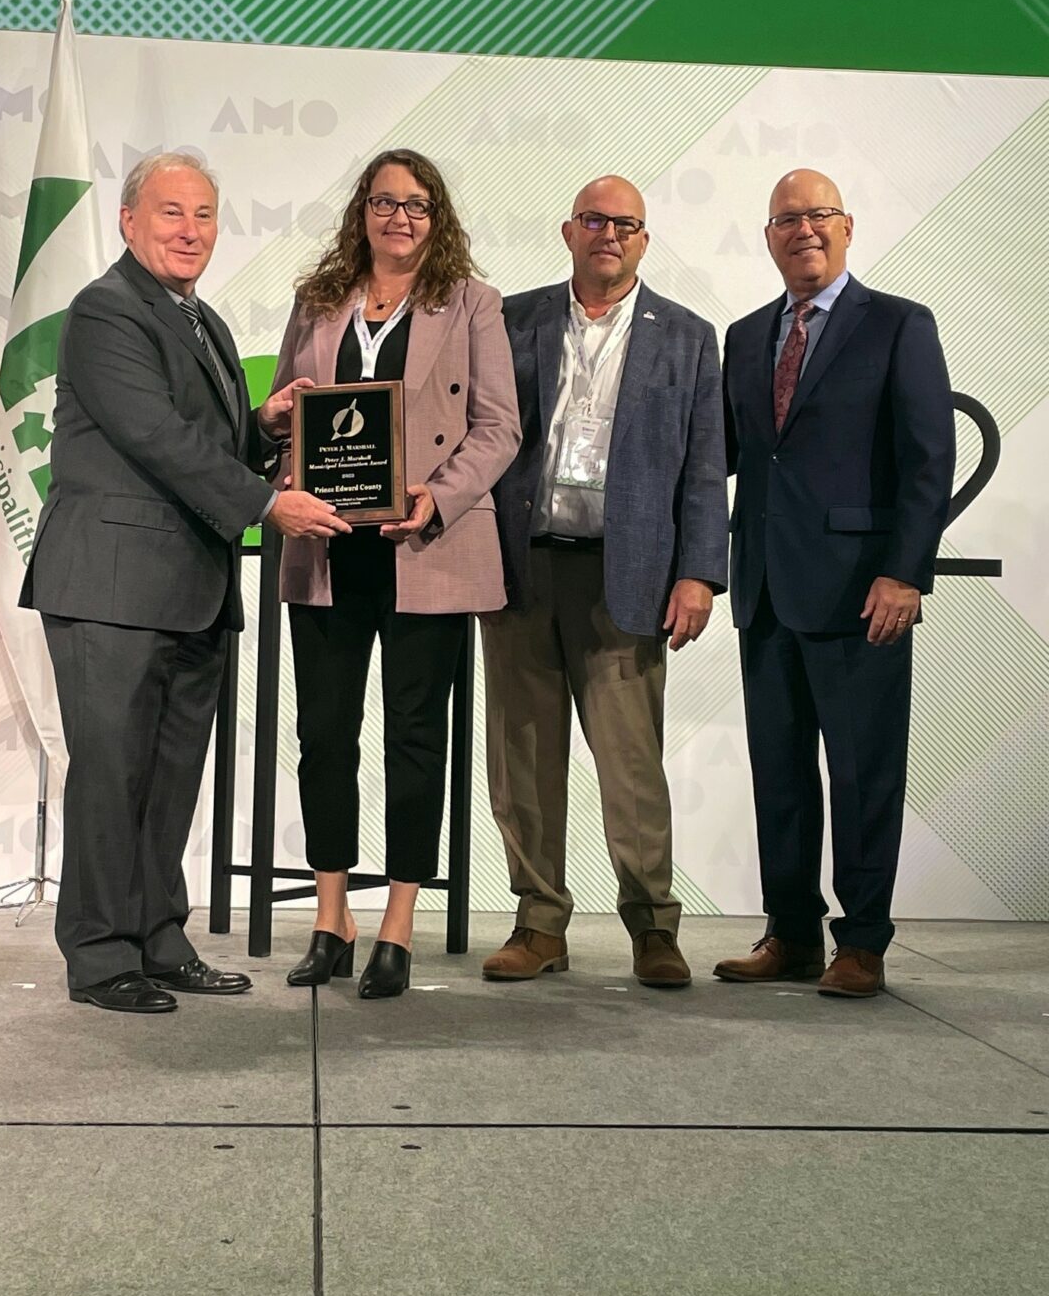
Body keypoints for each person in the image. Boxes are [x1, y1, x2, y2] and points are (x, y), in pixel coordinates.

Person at [21, 152, 347, 1013]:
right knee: (110, 775)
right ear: (129, 221)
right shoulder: (105, 309)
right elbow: (155, 437)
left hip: (188, 588)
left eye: (204, 214)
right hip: (111, 587)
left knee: (169, 781)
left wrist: (261, 424)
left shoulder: (198, 318)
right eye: (171, 213)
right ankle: (98, 957)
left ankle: (160, 940)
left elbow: (197, 437)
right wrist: (267, 503)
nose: (190, 230)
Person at [272, 148, 520, 999]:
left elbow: (497, 430)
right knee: (325, 739)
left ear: (437, 215)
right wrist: (275, 431)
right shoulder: (317, 300)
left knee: (417, 742)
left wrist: (437, 496)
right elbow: (285, 414)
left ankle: (399, 924)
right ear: (363, 212)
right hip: (329, 551)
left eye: (416, 205)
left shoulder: (473, 304)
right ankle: (330, 916)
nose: (400, 217)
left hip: (428, 550)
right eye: (384, 202)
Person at [480, 176, 728, 987]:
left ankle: (653, 927)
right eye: (595, 219)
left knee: (630, 765)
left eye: (626, 223)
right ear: (568, 230)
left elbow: (702, 469)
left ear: (645, 241)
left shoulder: (687, 337)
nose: (609, 234)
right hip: (522, 568)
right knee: (522, 761)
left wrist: (698, 573)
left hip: (630, 576)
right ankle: (539, 921)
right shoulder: (512, 319)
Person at [715, 168, 956, 998]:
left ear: (847, 228)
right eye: (787, 218)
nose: (803, 230)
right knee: (778, 774)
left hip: (863, 593)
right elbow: (724, 458)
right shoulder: (746, 335)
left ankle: (861, 943)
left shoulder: (898, 325)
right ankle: (790, 934)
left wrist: (905, 573)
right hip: (767, 592)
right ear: (769, 234)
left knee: (863, 775)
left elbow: (929, 463)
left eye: (818, 215)